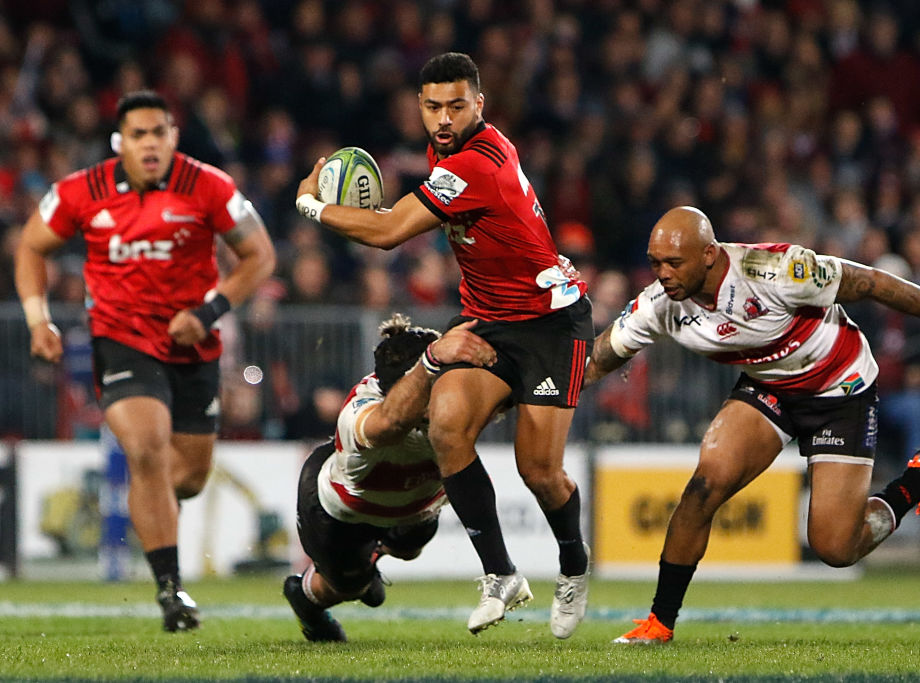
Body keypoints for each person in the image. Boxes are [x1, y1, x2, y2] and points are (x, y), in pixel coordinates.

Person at [583, 206, 920, 644]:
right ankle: (659, 623)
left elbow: (872, 282)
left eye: (673, 262)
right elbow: (595, 361)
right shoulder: (657, 305)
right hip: (773, 390)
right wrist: (533, 391)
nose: (662, 274)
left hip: (842, 390)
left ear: (709, 254)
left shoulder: (777, 270)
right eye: (655, 263)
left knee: (836, 548)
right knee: (704, 487)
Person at [294, 52, 593, 638]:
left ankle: (574, 567)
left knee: (539, 471)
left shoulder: (477, 164)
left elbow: (385, 234)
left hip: (550, 324)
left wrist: (312, 205)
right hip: (488, 318)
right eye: (433, 107)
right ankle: (500, 575)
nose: (444, 117)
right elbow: (402, 216)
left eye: (457, 105)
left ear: (479, 104)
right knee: (447, 427)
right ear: (421, 109)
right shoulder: (446, 153)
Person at [15, 90, 277, 632]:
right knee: (147, 447)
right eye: (139, 135)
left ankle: (154, 515)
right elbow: (31, 247)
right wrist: (39, 319)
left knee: (189, 478)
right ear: (121, 142)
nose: (151, 143)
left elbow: (261, 255)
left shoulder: (208, 185)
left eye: (160, 132)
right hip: (121, 337)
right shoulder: (81, 190)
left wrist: (210, 311)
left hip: (192, 344)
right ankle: (171, 590)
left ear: (174, 137)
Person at [283, 313, 497, 642]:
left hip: (414, 507)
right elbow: (388, 425)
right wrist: (432, 362)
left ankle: (374, 553)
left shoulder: (460, 398)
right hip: (341, 508)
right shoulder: (362, 410)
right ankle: (306, 601)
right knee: (352, 588)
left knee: (409, 547)